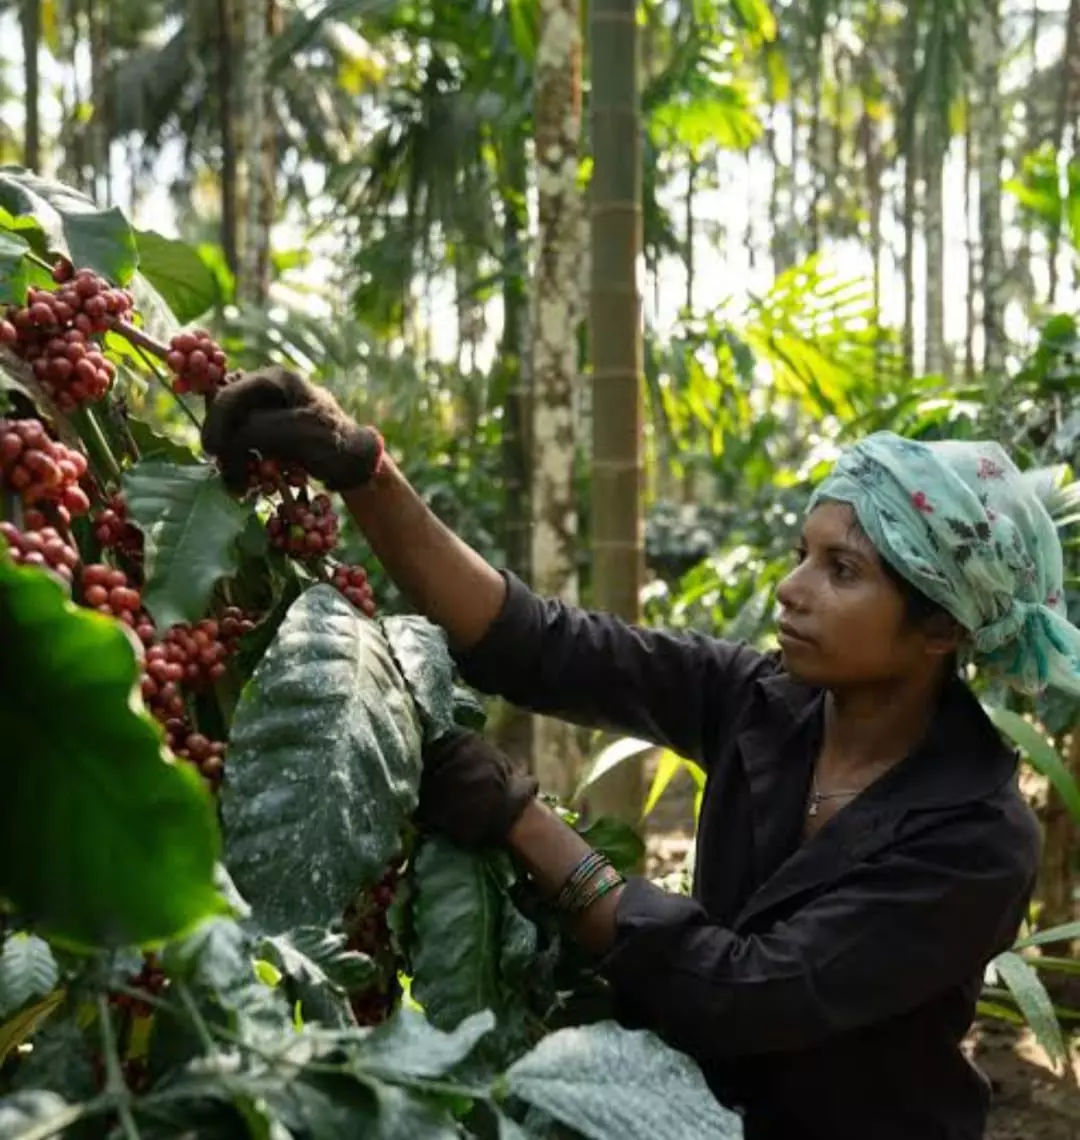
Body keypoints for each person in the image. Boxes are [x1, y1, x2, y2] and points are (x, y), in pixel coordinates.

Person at [202, 371, 1074, 1140]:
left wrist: (526, 823)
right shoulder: (762, 700)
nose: (791, 589)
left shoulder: (977, 836)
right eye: (802, 555)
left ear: (942, 626)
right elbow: (538, 645)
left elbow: (742, 996)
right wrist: (363, 469)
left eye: (841, 571)